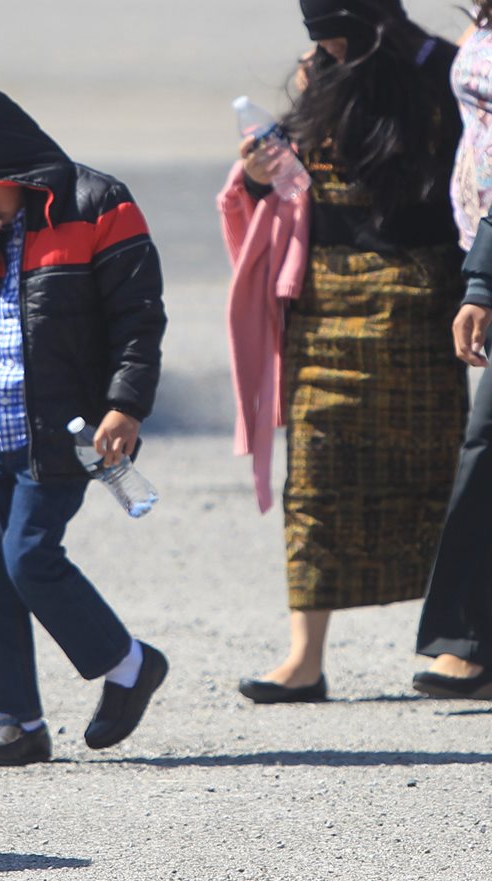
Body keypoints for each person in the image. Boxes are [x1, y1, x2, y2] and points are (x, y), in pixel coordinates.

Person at [0, 84, 169, 766]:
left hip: (65, 428)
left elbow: (140, 317)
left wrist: (126, 404)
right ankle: (19, 722)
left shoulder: (98, 203)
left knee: (30, 557)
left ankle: (129, 664)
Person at [223, 0, 468, 703]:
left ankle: (460, 642)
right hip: (324, 303)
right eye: (317, 37)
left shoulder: (443, 73)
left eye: (335, 33)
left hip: (422, 299)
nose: (326, 46)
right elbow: (280, 187)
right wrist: (256, 174)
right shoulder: (318, 76)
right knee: (316, 482)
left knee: (437, 474)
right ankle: (304, 657)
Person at [412, 0, 492, 700]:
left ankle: (467, 638)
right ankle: (470, 638)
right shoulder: (480, 20)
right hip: (477, 241)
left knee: (484, 438)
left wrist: (484, 283)